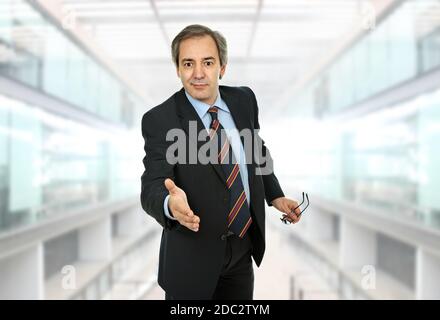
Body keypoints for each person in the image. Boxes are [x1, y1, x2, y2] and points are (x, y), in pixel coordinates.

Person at [140, 24, 302, 300]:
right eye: (188, 63)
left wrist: (275, 195)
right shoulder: (160, 120)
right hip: (191, 262)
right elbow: (152, 186)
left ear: (222, 67)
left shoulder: (244, 100)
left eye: (208, 62)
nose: (198, 73)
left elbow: (256, 150)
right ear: (177, 69)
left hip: (241, 254)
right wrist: (170, 206)